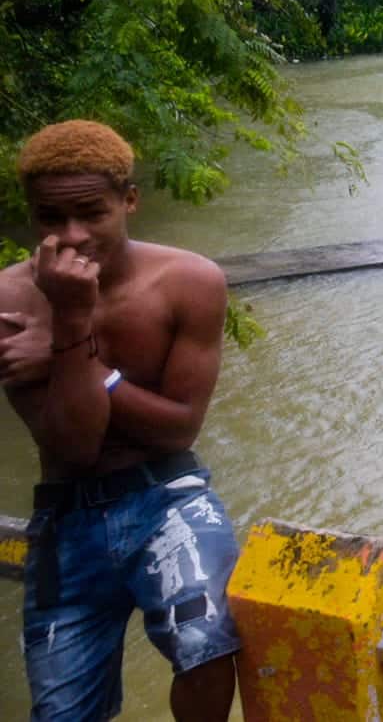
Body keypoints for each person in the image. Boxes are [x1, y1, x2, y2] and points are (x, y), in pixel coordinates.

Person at [0, 120, 239, 720]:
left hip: (169, 494)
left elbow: (179, 428)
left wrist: (68, 349)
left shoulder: (190, 282)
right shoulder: (7, 301)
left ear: (129, 201)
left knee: (206, 648)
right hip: (66, 512)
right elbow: (74, 446)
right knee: (61, 712)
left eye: (91, 213)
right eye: (50, 218)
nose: (72, 236)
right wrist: (74, 318)